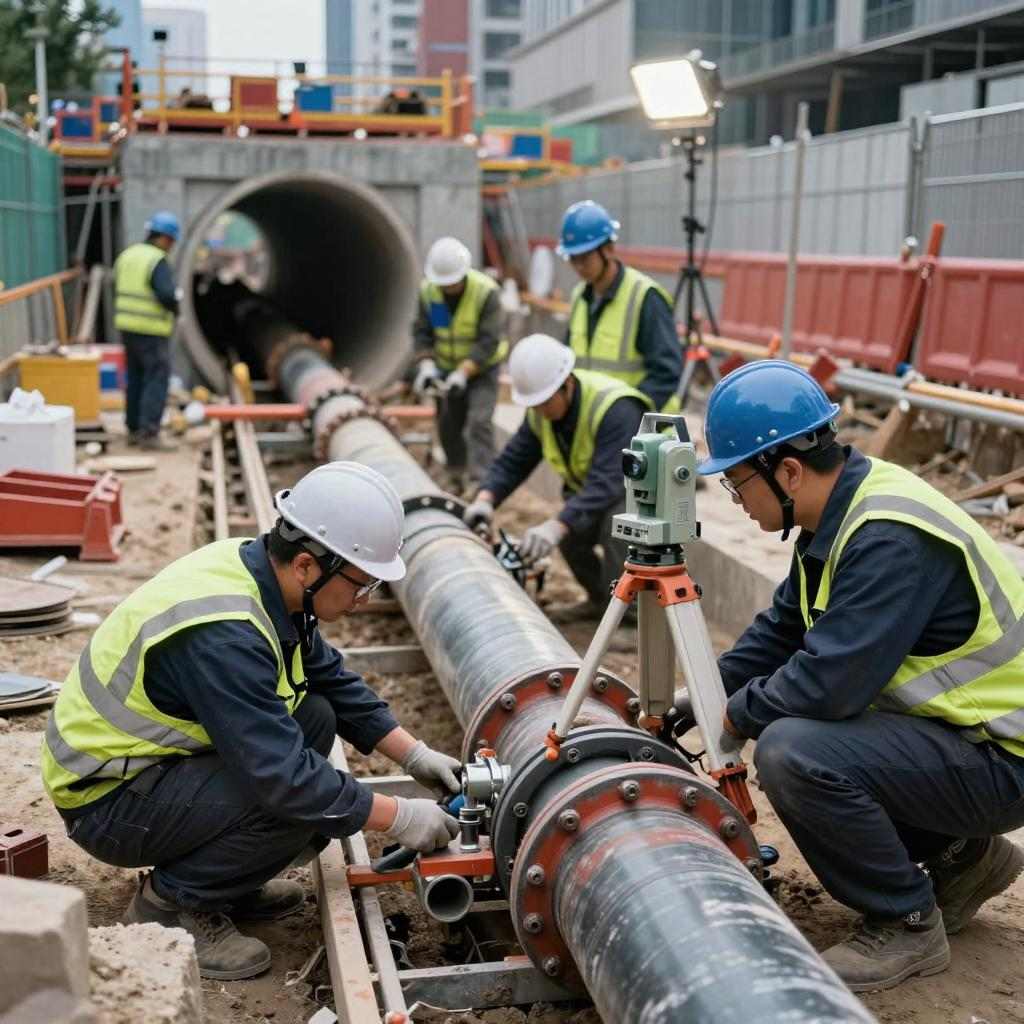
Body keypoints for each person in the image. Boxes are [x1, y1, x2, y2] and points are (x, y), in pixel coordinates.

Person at [41, 462, 461, 981]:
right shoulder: (224, 635)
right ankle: (169, 905)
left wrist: (414, 755)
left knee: (315, 717)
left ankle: (226, 879)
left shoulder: (268, 576)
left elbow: (329, 678)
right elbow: (284, 780)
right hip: (105, 798)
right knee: (297, 803)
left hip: (148, 768)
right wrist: (400, 817)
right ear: (308, 565)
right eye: (361, 582)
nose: (364, 598)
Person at [685, 359, 1024, 992]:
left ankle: (907, 921)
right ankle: (965, 858)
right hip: (969, 742)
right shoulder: (841, 515)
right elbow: (781, 630)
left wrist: (733, 715)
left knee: (795, 751)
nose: (737, 500)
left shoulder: (886, 537)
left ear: (787, 470)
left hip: (1006, 759)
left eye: (736, 484)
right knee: (803, 729)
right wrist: (700, 697)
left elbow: (828, 685)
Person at [464, 334, 651, 624]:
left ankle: (631, 618)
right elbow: (515, 459)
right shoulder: (542, 411)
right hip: (600, 490)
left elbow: (609, 481)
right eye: (533, 405)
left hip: (644, 497)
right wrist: (485, 498)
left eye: (544, 402)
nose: (539, 411)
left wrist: (556, 525)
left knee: (618, 528)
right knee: (571, 537)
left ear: (567, 385)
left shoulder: (616, 408)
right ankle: (601, 601)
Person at [557, 200, 683, 412]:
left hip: (641, 431)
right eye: (572, 258)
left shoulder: (644, 297)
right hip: (595, 422)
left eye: (584, 257)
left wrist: (629, 413)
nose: (578, 266)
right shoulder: (580, 295)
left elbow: (666, 372)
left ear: (608, 249)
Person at [412, 236, 509, 495]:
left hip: (482, 369)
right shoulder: (430, 292)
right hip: (444, 368)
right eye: (443, 283)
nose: (448, 288)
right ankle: (455, 475)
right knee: (447, 423)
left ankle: (482, 483)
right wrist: (426, 365)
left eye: (453, 282)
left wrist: (465, 371)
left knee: (479, 422)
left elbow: (489, 340)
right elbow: (422, 332)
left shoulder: (485, 292)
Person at [113, 211, 181, 451]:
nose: (171, 247)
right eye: (171, 242)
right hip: (151, 329)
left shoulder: (127, 255)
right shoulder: (156, 260)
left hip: (127, 327)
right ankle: (149, 433)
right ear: (164, 238)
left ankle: (133, 429)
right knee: (156, 378)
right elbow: (165, 294)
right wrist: (176, 304)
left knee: (135, 378)